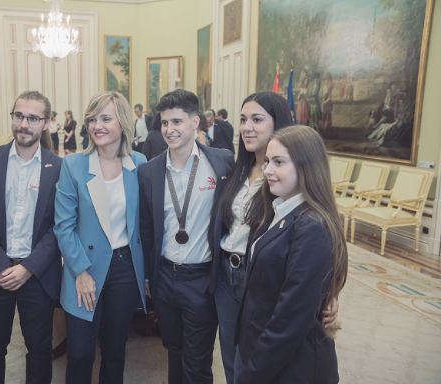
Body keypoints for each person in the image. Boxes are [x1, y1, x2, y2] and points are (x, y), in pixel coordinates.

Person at [209, 92, 339, 384]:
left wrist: (328, 294)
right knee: (236, 352)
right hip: (227, 276)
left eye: (257, 119)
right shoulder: (235, 168)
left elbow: (311, 266)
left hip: (260, 277)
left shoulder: (298, 205)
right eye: (243, 119)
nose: (247, 127)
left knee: (266, 354)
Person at [234, 125, 348, 384]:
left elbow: (290, 318)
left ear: (306, 166)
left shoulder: (311, 227)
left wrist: (252, 373)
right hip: (265, 352)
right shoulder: (278, 209)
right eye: (267, 162)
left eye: (278, 162)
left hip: (291, 367)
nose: (268, 171)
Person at [0, 91, 62, 384]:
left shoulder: (58, 169)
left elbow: (60, 226)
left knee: (40, 349)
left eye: (33, 118)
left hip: (38, 276)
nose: (24, 124)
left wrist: (28, 267)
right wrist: (2, 266)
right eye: (19, 115)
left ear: (45, 123)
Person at [138, 89, 234, 384]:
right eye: (165, 123)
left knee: (197, 360)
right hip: (165, 278)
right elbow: (145, 230)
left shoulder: (222, 163)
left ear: (196, 122)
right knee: (173, 350)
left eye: (177, 121)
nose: (170, 130)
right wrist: (147, 279)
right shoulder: (149, 171)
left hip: (202, 279)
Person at [54, 91, 147, 384]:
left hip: (125, 269)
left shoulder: (140, 163)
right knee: (80, 353)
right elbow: (63, 226)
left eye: (105, 118)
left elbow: (147, 223)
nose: (98, 126)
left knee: (116, 350)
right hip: (84, 266)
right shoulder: (73, 165)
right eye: (92, 119)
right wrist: (80, 271)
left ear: (122, 122)